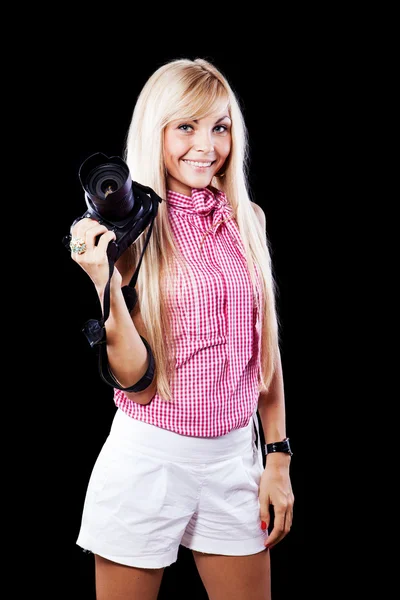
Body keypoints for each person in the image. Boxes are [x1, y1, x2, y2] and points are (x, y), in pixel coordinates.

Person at [70, 57, 294, 600]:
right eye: (186, 126)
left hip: (233, 462)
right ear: (157, 130)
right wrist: (104, 282)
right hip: (149, 459)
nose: (206, 145)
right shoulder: (133, 234)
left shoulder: (249, 219)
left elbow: (266, 350)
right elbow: (134, 380)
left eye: (219, 126)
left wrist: (278, 456)